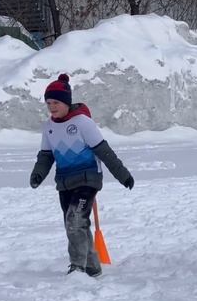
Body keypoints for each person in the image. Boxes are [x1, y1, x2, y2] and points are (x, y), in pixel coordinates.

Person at [30, 74, 134, 278]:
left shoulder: (83, 123)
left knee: (74, 220)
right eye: (48, 103)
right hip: (64, 182)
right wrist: (38, 174)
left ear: (66, 102)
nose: (52, 107)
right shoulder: (49, 127)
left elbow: (104, 151)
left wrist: (123, 175)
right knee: (78, 225)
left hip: (88, 179)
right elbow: (46, 155)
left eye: (56, 102)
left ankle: (77, 267)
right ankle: (92, 266)